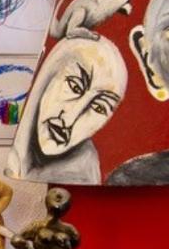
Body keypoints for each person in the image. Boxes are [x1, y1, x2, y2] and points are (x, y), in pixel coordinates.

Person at [7, 36, 127, 184]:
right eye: (75, 87)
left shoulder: (83, 174)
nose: (69, 120)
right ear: (49, 72)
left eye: (99, 107)